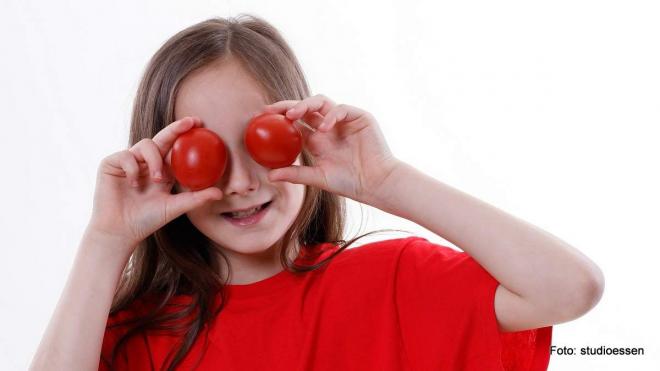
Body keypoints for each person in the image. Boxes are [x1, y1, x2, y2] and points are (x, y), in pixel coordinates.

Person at [29, 14, 604, 371]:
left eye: (264, 141)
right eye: (204, 157)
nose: (240, 182)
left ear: (299, 138)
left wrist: (387, 180)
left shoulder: (394, 282)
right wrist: (106, 239)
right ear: (166, 168)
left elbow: (570, 288)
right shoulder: (137, 336)